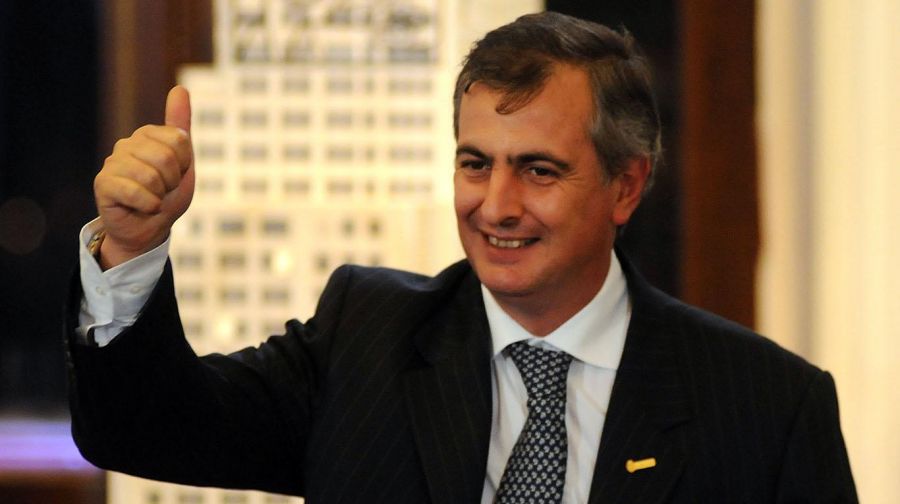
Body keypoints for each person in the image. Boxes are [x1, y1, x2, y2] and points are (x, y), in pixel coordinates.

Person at [66, 11, 857, 504]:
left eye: (538, 170)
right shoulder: (366, 339)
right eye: (476, 163)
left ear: (627, 186)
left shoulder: (768, 408)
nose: (497, 205)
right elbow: (144, 430)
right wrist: (131, 249)